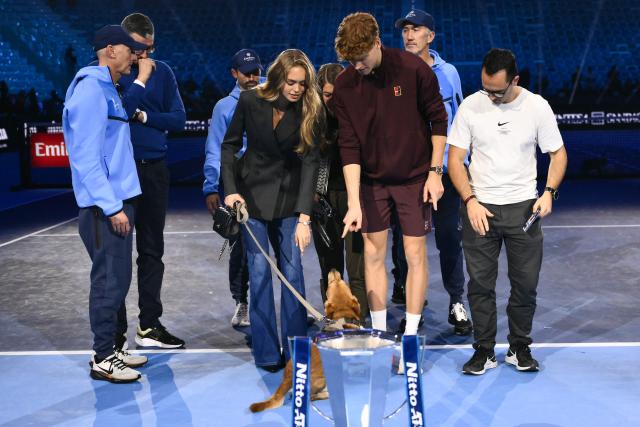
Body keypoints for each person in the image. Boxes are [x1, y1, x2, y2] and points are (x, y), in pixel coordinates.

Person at [447, 48, 568, 375]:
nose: (491, 95)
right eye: (486, 88)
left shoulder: (536, 106)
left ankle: (519, 347)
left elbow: (558, 154)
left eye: (497, 90)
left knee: (525, 284)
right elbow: (455, 160)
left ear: (515, 79)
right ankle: (483, 351)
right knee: (480, 285)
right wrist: (470, 200)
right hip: (479, 210)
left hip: (524, 210)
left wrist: (549, 193)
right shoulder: (471, 106)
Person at [332, 12, 448, 338]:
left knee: (414, 254)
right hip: (371, 182)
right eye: (350, 59)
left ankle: (410, 335)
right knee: (372, 254)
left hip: (414, 178)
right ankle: (380, 335)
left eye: (361, 57)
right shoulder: (344, 86)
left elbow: (438, 122)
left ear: (377, 43)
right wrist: (353, 202)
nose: (357, 65)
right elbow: (349, 146)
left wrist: (435, 173)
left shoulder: (414, 70)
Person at [221, 49, 321, 371]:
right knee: (260, 272)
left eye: (302, 84)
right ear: (278, 78)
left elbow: (310, 164)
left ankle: (296, 352)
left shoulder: (309, 109)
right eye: (291, 82)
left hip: (291, 200)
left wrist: (305, 217)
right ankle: (266, 353)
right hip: (251, 198)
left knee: (292, 273)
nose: (296, 89)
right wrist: (231, 190)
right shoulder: (250, 101)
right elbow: (230, 145)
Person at [63, 25, 149, 383]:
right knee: (108, 281)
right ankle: (102, 356)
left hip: (116, 200)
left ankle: (113, 347)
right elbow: (85, 157)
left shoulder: (107, 88)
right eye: (130, 49)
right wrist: (112, 206)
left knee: (118, 278)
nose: (136, 55)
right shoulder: (89, 92)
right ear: (110, 50)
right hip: (104, 207)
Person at [392, 9, 472, 336]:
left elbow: (459, 121)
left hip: (444, 172)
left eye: (417, 29)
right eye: (406, 29)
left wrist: (463, 167)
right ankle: (415, 307)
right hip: (408, 173)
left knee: (449, 238)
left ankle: (456, 302)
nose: (409, 35)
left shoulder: (449, 72)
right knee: (406, 244)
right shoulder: (393, 72)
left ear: (431, 36)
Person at [118, 13, 187, 349]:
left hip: (155, 170)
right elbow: (116, 114)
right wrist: (139, 82)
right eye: (137, 49)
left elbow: (178, 119)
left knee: (151, 251)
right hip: (122, 173)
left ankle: (149, 326)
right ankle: (115, 335)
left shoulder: (165, 73)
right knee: (116, 255)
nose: (143, 56)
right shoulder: (110, 72)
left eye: (148, 49)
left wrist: (145, 117)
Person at [203, 49, 264, 327]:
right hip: (238, 186)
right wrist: (211, 187)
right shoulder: (223, 107)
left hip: (270, 183)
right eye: (246, 72)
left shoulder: (271, 98)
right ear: (234, 73)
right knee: (240, 248)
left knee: (279, 245)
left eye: (256, 71)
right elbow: (215, 149)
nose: (252, 77)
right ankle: (242, 302)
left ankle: (285, 305)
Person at [311, 63, 368, 322]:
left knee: (357, 270)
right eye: (328, 95)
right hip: (322, 201)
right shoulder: (312, 122)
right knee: (331, 269)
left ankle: (359, 324)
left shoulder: (358, 116)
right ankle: (334, 324)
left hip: (355, 198)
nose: (333, 100)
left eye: (338, 93)